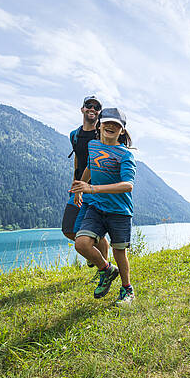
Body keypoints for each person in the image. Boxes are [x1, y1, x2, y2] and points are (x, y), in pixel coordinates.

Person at [70, 107, 137, 306]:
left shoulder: (125, 155)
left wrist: (92, 189)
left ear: (122, 131)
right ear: (100, 124)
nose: (110, 126)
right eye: (107, 122)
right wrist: (80, 188)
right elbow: (91, 166)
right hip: (96, 208)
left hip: (119, 212)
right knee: (81, 243)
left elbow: (128, 185)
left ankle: (127, 290)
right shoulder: (93, 146)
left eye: (116, 125)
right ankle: (107, 270)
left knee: (119, 252)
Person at [61, 95, 109, 279]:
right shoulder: (75, 135)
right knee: (69, 229)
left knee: (97, 232)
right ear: (82, 109)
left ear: (99, 113)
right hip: (80, 187)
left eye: (96, 107)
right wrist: (75, 186)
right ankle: (97, 256)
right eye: (89, 105)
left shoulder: (102, 134)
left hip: (97, 190)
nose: (92, 109)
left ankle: (103, 270)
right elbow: (77, 161)